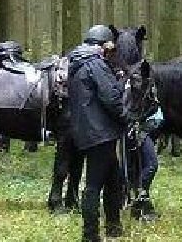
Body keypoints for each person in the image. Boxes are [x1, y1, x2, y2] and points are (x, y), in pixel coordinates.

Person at [64, 25, 132, 239]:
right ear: (104, 44)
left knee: (114, 179)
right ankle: (90, 234)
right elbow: (110, 97)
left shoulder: (77, 62)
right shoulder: (95, 64)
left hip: (88, 131)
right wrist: (126, 117)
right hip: (100, 133)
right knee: (94, 184)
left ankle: (113, 225)